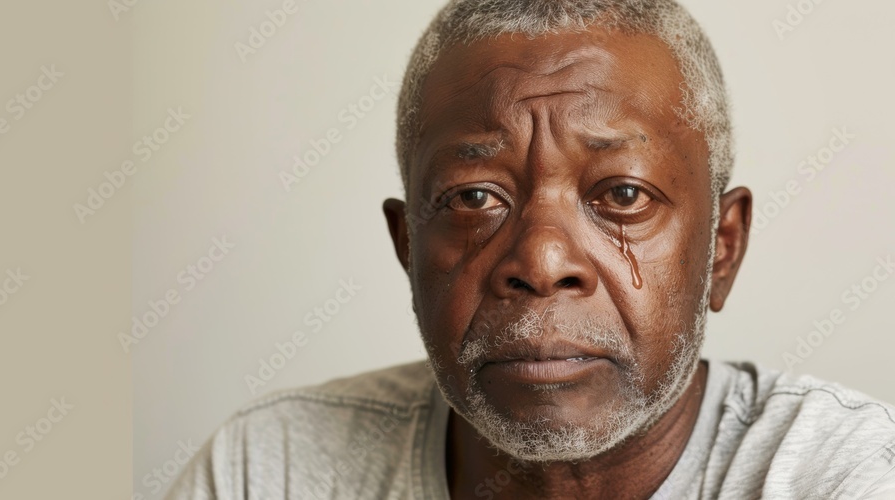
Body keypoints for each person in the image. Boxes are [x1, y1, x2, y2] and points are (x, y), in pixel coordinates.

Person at [166, 1, 895, 498]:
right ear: (407, 245)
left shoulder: (843, 475)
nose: (543, 263)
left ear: (722, 249)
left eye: (622, 196)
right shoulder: (270, 470)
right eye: (475, 197)